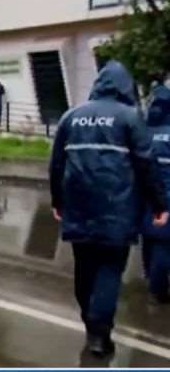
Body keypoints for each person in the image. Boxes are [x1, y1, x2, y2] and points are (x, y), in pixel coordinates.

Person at [49, 61, 168, 357]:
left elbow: (56, 165)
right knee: (109, 271)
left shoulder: (71, 116)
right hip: (118, 209)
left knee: (84, 268)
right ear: (126, 87)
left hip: (78, 207)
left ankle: (91, 324)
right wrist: (159, 204)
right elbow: (146, 163)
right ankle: (99, 335)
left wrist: (57, 201)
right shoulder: (130, 117)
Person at [142, 84, 170, 304]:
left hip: (144, 195)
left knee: (150, 237)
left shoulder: (143, 131)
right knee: (163, 242)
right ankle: (158, 290)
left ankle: (150, 278)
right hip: (167, 195)